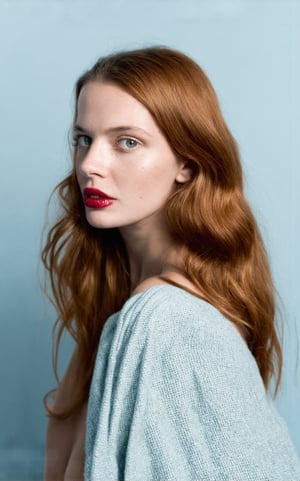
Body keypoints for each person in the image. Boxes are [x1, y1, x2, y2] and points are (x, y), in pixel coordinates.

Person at [42, 46, 300, 481]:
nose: (90, 165)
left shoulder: (169, 322)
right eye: (84, 139)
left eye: (127, 142)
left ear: (186, 162)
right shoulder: (125, 312)